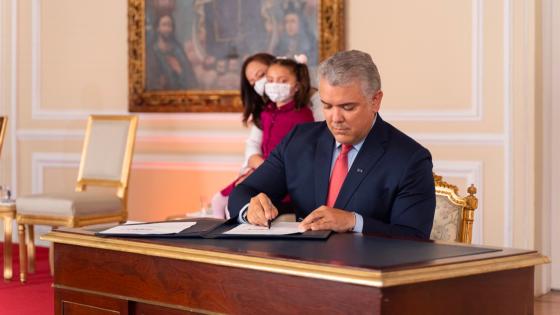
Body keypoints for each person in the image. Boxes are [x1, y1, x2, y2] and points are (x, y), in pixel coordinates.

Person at [228, 50, 436, 239]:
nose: (335, 118)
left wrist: (354, 222)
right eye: (327, 106)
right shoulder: (298, 141)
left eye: (347, 107)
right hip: (302, 270)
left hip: (366, 275)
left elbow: (414, 237)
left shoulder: (410, 159)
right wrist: (251, 208)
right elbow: (244, 191)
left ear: (375, 101)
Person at [210, 54, 316, 217]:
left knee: (236, 206)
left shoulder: (304, 114)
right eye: (270, 80)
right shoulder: (267, 112)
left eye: (260, 76)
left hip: (282, 177)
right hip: (261, 169)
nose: (274, 85)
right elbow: (253, 146)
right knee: (222, 201)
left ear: (297, 85)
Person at [146, 14, 198, 90]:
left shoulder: (178, 50)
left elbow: (191, 81)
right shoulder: (152, 52)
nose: (167, 29)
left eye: (169, 25)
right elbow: (151, 83)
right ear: (158, 28)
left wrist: (179, 70)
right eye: (164, 25)